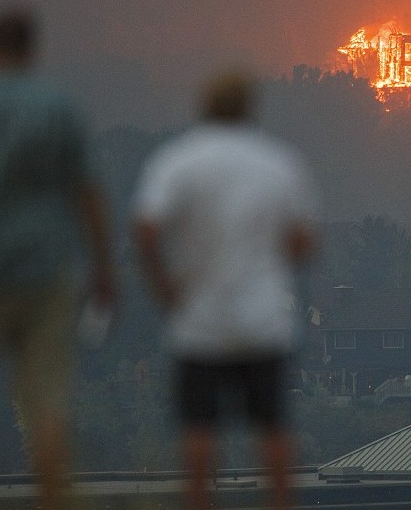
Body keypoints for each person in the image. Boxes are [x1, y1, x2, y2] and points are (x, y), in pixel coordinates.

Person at [0, 7, 116, 509]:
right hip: (43, 276)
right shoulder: (58, 109)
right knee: (45, 406)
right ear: (33, 50)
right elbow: (88, 196)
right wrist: (102, 268)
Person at [133, 70, 317, 510]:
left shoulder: (179, 161)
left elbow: (145, 228)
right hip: (263, 320)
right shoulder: (279, 162)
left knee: (199, 429)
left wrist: (163, 286)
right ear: (250, 107)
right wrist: (274, 268)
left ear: (205, 106)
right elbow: (304, 239)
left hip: (200, 320)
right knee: (273, 427)